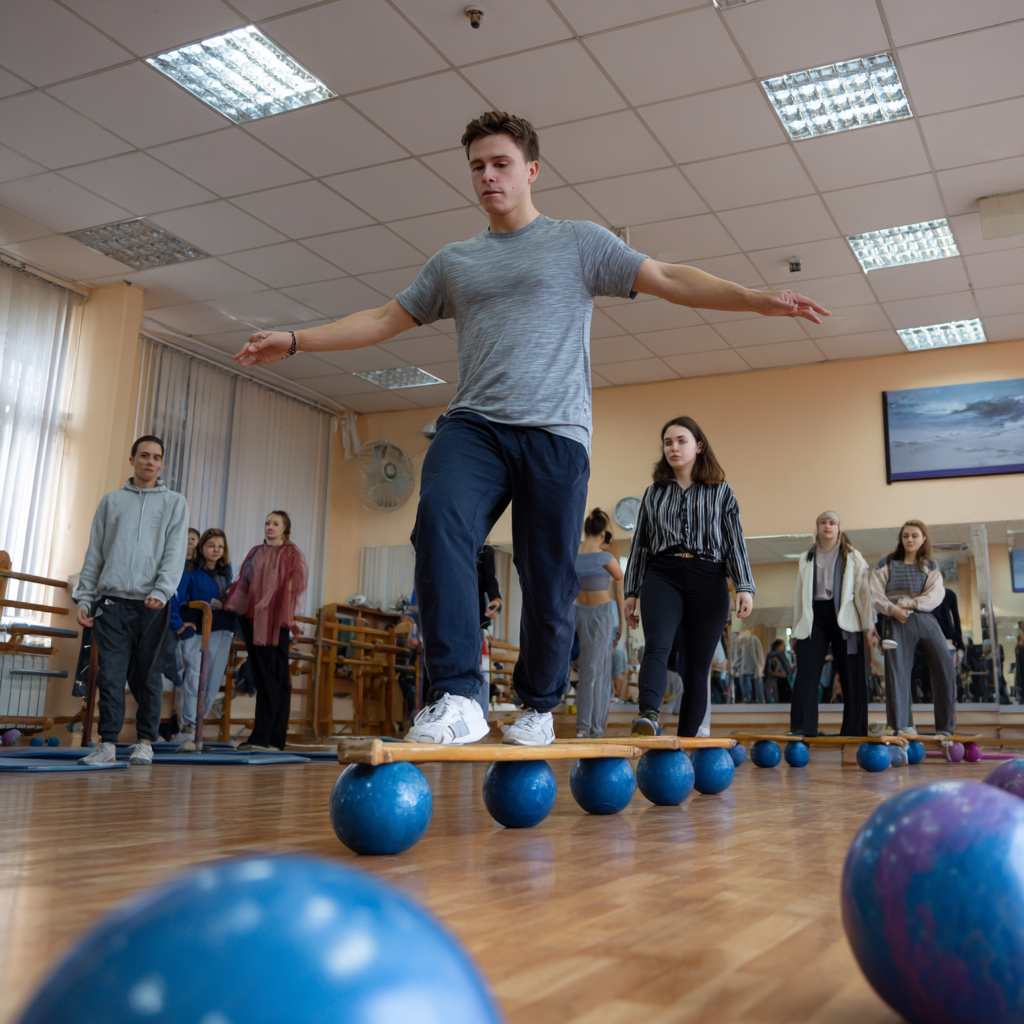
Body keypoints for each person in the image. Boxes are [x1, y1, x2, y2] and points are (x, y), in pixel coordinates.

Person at [234, 110, 827, 748]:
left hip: (555, 432)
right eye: (477, 168)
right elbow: (382, 319)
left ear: (531, 170)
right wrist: (296, 340)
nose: (487, 177)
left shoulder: (580, 243)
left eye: (501, 164)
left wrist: (753, 298)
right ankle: (458, 693)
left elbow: (669, 278)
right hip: (475, 425)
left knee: (548, 574)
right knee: (437, 522)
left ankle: (539, 706)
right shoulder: (454, 263)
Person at [623, 417, 755, 736]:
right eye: (668, 442)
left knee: (696, 668)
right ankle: (649, 716)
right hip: (662, 573)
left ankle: (686, 743)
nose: (674, 448)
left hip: (708, 576)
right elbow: (640, 543)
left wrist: (744, 585)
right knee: (657, 644)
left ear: (698, 446)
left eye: (681, 441)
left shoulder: (721, 491)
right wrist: (632, 591)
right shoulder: (654, 493)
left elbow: (734, 540)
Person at [74, 436, 189, 765]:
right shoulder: (111, 501)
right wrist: (86, 597)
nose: (150, 462)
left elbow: (174, 552)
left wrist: (161, 590)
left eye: (156, 457)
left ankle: (145, 743)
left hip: (152, 605)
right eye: (143, 456)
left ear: (162, 463)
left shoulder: (175, 503)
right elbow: (94, 553)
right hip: (111, 602)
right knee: (110, 675)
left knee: (148, 676)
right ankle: (108, 744)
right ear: (132, 459)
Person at [225, 512, 307, 752]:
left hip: (276, 624)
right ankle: (265, 737)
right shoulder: (255, 552)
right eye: (267, 523)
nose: (269, 527)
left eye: (275, 524)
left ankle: (270, 738)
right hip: (253, 622)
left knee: (279, 679)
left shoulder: (291, 554)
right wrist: (228, 603)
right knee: (262, 677)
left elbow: (295, 585)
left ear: (285, 529)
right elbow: (243, 584)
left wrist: (273, 604)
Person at [790, 512, 873, 737]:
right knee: (806, 674)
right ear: (817, 528)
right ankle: (802, 729)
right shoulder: (805, 557)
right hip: (814, 617)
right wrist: (796, 629)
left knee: (852, 675)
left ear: (838, 529)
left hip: (846, 620)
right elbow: (799, 596)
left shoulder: (853, 556)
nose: (827, 526)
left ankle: (854, 731)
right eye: (823, 522)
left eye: (832, 522)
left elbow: (865, 593)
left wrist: (869, 626)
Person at [871, 520, 956, 737]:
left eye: (914, 536)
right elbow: (875, 593)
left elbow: (936, 594)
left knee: (945, 668)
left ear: (923, 539)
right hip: (896, 620)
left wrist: (914, 603)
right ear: (901, 538)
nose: (910, 539)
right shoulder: (886, 562)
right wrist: (892, 610)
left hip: (925, 618)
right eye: (906, 535)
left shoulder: (930, 566)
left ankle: (945, 728)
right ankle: (902, 726)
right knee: (897, 673)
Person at [169, 528, 236, 751]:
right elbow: (180, 598)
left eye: (220, 546)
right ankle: (187, 727)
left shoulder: (227, 572)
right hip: (196, 627)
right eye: (211, 546)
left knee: (212, 680)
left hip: (222, 629)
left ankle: (198, 727)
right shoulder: (190, 567)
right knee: (193, 677)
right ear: (201, 548)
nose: (216, 550)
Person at [574, 509, 625, 738]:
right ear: (604, 532)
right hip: (579, 613)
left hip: (602, 615)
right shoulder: (596, 557)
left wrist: (621, 622)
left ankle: (589, 727)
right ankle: (590, 727)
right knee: (592, 671)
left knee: (595, 671)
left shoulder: (603, 558)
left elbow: (619, 587)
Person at [475, 544, 502, 716]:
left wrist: (496, 599)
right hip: (450, 611)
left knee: (478, 667)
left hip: (475, 616)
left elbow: (490, 579)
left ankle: (478, 713)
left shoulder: (485, 551)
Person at [731, 630, 764, 703]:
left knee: (758, 694)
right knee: (747, 695)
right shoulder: (740, 641)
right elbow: (740, 657)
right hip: (744, 670)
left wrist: (759, 668)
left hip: (754, 669)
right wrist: (735, 668)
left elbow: (760, 654)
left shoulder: (754, 640)